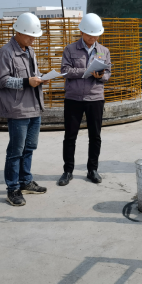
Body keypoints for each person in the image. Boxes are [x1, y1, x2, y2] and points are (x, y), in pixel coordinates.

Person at [0, 12, 47, 206]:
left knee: (29, 148)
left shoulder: (30, 51)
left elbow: (33, 74)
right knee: (16, 151)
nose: (33, 39)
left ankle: (26, 181)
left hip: (34, 107)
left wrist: (41, 78)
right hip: (18, 110)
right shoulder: (6, 52)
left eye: (34, 36)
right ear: (18, 32)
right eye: (30, 36)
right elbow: (1, 80)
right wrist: (26, 82)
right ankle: (13, 188)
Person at [57, 13, 111, 186]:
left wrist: (100, 75)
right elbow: (65, 71)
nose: (92, 38)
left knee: (95, 136)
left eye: (95, 35)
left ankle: (92, 170)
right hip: (73, 98)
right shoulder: (70, 49)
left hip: (95, 98)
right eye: (89, 35)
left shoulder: (104, 51)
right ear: (81, 32)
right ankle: (67, 171)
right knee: (70, 136)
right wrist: (86, 71)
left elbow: (108, 73)